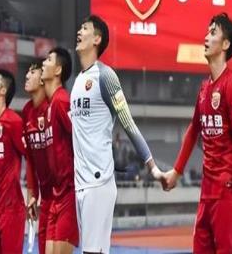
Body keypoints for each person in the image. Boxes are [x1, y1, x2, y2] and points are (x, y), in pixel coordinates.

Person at [164, 13, 232, 254]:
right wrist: (176, 171)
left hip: (227, 192)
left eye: (213, 33)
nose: (206, 37)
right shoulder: (205, 87)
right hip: (206, 191)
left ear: (225, 44)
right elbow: (193, 129)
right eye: (207, 32)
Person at [71, 15, 165, 254]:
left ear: (97, 39)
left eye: (84, 28)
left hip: (98, 181)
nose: (79, 32)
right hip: (80, 182)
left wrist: (152, 167)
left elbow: (128, 123)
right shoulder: (78, 81)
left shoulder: (106, 76)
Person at [41, 47, 79, 254]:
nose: (43, 63)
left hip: (68, 195)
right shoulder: (50, 105)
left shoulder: (62, 100)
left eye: (48, 60)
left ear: (58, 70)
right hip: (55, 196)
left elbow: (79, 137)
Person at [0, 70, 26, 253]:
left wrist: (34, 191)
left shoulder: (14, 121)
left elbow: (31, 155)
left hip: (11, 210)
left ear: (3, 90)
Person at [22, 59, 52, 254]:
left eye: (32, 72)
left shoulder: (53, 106)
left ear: (42, 79)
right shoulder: (26, 111)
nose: (26, 76)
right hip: (45, 196)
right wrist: (32, 196)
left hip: (62, 193)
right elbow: (30, 160)